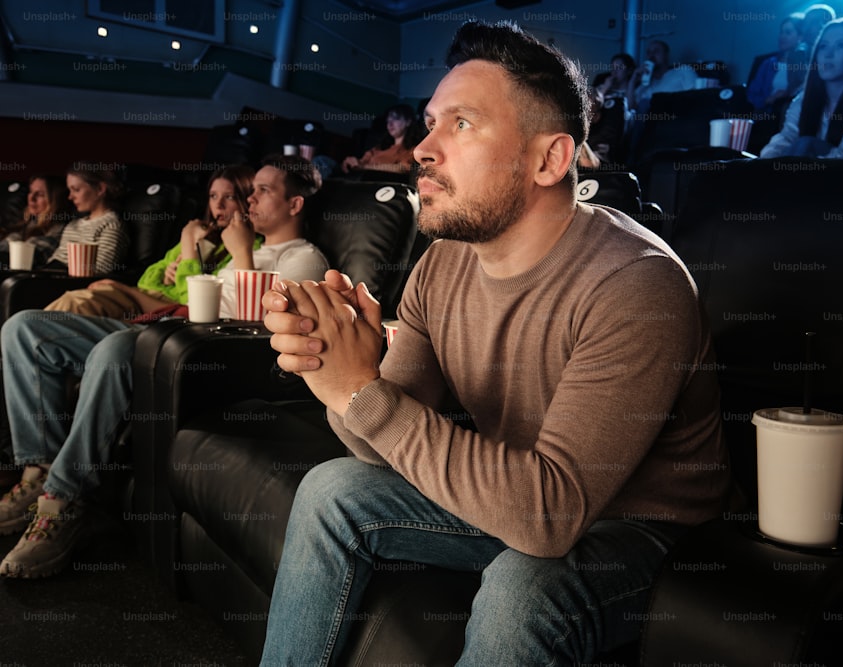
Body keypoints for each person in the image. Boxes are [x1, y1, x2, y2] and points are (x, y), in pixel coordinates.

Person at [259, 21, 731, 665]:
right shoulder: (441, 263)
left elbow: (549, 516)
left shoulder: (638, 286)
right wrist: (336, 372)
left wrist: (363, 393)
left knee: (522, 586)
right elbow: (377, 442)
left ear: (549, 160)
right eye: (429, 123)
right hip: (512, 490)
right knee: (331, 488)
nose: (423, 148)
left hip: (643, 527)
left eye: (462, 124)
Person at [0, 155, 329, 578]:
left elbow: (259, 334)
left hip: (196, 354)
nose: (250, 200)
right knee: (24, 329)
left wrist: (242, 253)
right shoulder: (236, 251)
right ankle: (37, 468)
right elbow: (191, 303)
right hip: (166, 329)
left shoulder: (303, 259)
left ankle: (61, 501)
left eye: (262, 190)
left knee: (117, 348)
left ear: (295, 205)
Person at [41, 164, 256, 319]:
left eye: (228, 197)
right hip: (144, 294)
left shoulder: (246, 247)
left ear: (247, 199)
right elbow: (146, 279)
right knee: (72, 301)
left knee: (75, 303)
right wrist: (166, 273)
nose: (218, 206)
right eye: (213, 196)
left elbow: (190, 301)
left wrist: (188, 249)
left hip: (157, 307)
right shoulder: (204, 234)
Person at [759, 18, 843, 159]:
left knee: (806, 143)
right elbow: (786, 138)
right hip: (806, 175)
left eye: (841, 45)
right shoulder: (803, 98)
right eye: (823, 46)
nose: (828, 54)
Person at [43, 165, 128, 275]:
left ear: (100, 189)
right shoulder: (73, 225)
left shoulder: (111, 225)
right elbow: (55, 259)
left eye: (76, 190)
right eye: (70, 190)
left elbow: (101, 270)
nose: (70, 197)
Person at [0, 175, 73, 268]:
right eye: (30, 191)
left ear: (55, 200)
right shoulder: (23, 225)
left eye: (40, 194)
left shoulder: (59, 229)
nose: (31, 198)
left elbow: (30, 257)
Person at [747, 14, 807, 113]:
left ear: (800, 37)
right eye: (781, 32)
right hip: (766, 117)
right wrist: (769, 99)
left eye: (788, 33)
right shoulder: (768, 63)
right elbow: (752, 94)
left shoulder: (805, 65)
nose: (782, 36)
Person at [341, 103, 421, 175]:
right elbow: (361, 162)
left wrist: (364, 166)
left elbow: (402, 168)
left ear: (408, 122)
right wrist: (351, 163)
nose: (390, 123)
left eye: (395, 118)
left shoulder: (411, 150)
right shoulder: (378, 148)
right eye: (388, 120)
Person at [626, 39, 698, 116]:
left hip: (678, 118)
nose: (651, 55)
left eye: (656, 51)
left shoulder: (683, 71)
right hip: (650, 124)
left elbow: (695, 99)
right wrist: (632, 80)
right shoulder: (644, 85)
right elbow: (630, 108)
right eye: (648, 53)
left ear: (666, 55)